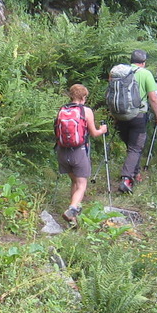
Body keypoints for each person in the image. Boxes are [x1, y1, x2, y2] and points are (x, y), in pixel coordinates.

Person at [105, 49, 157, 193]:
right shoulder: (146, 74)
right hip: (138, 116)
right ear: (144, 62)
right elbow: (153, 98)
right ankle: (126, 179)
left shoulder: (119, 73)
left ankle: (135, 174)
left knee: (131, 147)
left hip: (120, 115)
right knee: (135, 148)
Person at [55, 83, 109, 222]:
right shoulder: (86, 111)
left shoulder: (62, 110)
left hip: (62, 152)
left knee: (74, 181)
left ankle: (73, 218)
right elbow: (94, 133)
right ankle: (72, 209)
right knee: (82, 184)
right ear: (83, 97)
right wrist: (102, 130)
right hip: (78, 152)